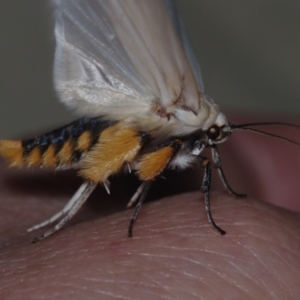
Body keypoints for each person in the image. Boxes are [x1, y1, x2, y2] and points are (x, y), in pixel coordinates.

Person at [0, 118, 299, 299]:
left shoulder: (191, 145)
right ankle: (65, 218)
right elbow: (148, 171)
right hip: (108, 136)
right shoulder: (174, 136)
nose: (217, 141)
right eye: (216, 135)